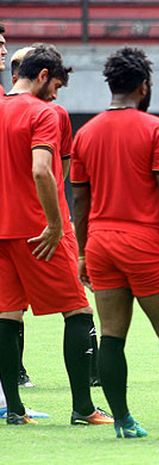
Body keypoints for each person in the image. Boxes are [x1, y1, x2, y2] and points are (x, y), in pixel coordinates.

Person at [70, 47, 159, 438]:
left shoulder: (85, 133)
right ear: (143, 86)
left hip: (101, 243)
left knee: (112, 335)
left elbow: (80, 200)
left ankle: (123, 422)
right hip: (145, 243)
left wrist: (83, 251)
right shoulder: (155, 130)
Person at [0, 45, 112, 426]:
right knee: (78, 311)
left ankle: (14, 409)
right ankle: (83, 407)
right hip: (38, 230)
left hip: (2, 230)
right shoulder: (44, 112)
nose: (57, 95)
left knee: (7, 315)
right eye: (57, 86)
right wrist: (53, 223)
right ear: (44, 75)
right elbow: (42, 170)